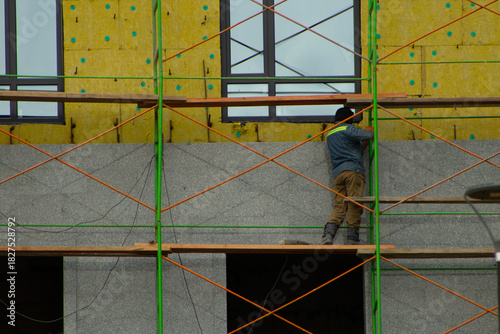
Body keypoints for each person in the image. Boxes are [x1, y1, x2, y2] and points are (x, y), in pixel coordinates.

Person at [321, 107, 374, 245]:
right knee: (354, 204)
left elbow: (349, 148)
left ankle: (328, 235)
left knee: (339, 206)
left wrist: (363, 145)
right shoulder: (346, 128)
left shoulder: (331, 133)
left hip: (338, 174)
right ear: (347, 118)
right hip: (353, 171)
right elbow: (367, 135)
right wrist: (370, 130)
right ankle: (352, 239)